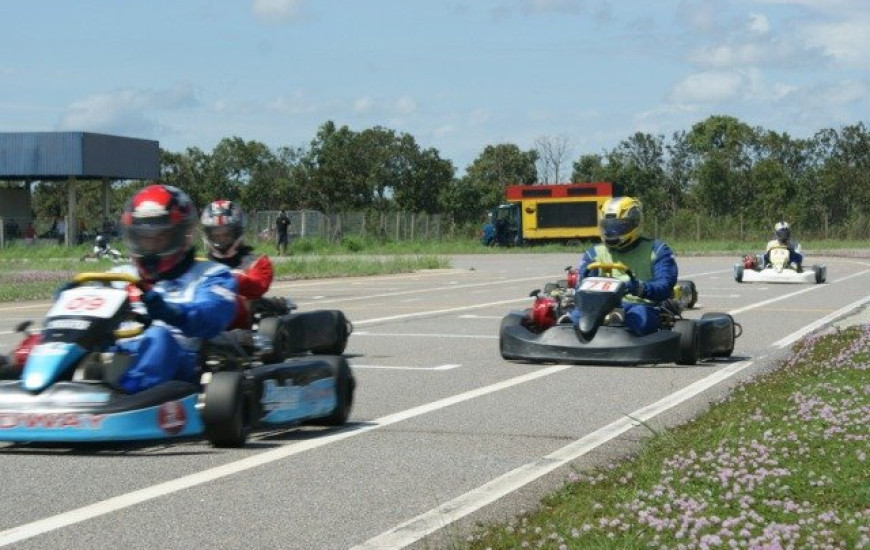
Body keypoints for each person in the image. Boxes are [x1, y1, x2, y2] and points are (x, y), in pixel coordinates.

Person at [107, 183, 237, 393]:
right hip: (119, 355)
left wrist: (174, 314)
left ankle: (125, 397)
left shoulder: (211, 275)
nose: (150, 246)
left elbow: (213, 315)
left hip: (178, 362)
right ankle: (42, 391)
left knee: (159, 337)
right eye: (143, 238)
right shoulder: (118, 275)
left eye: (160, 237)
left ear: (181, 235)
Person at [568, 196, 678, 336]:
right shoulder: (594, 253)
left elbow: (666, 284)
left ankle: (621, 330)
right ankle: (568, 329)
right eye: (607, 227)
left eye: (619, 227)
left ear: (634, 224)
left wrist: (639, 288)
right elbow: (581, 283)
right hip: (598, 307)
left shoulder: (657, 250)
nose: (612, 232)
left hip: (640, 304)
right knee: (577, 315)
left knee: (640, 317)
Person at [201, 199, 274, 330]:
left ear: (237, 232)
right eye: (216, 235)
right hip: (197, 326)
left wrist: (227, 278)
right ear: (208, 235)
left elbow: (257, 287)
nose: (221, 239)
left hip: (237, 331)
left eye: (226, 234)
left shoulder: (257, 262)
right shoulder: (200, 264)